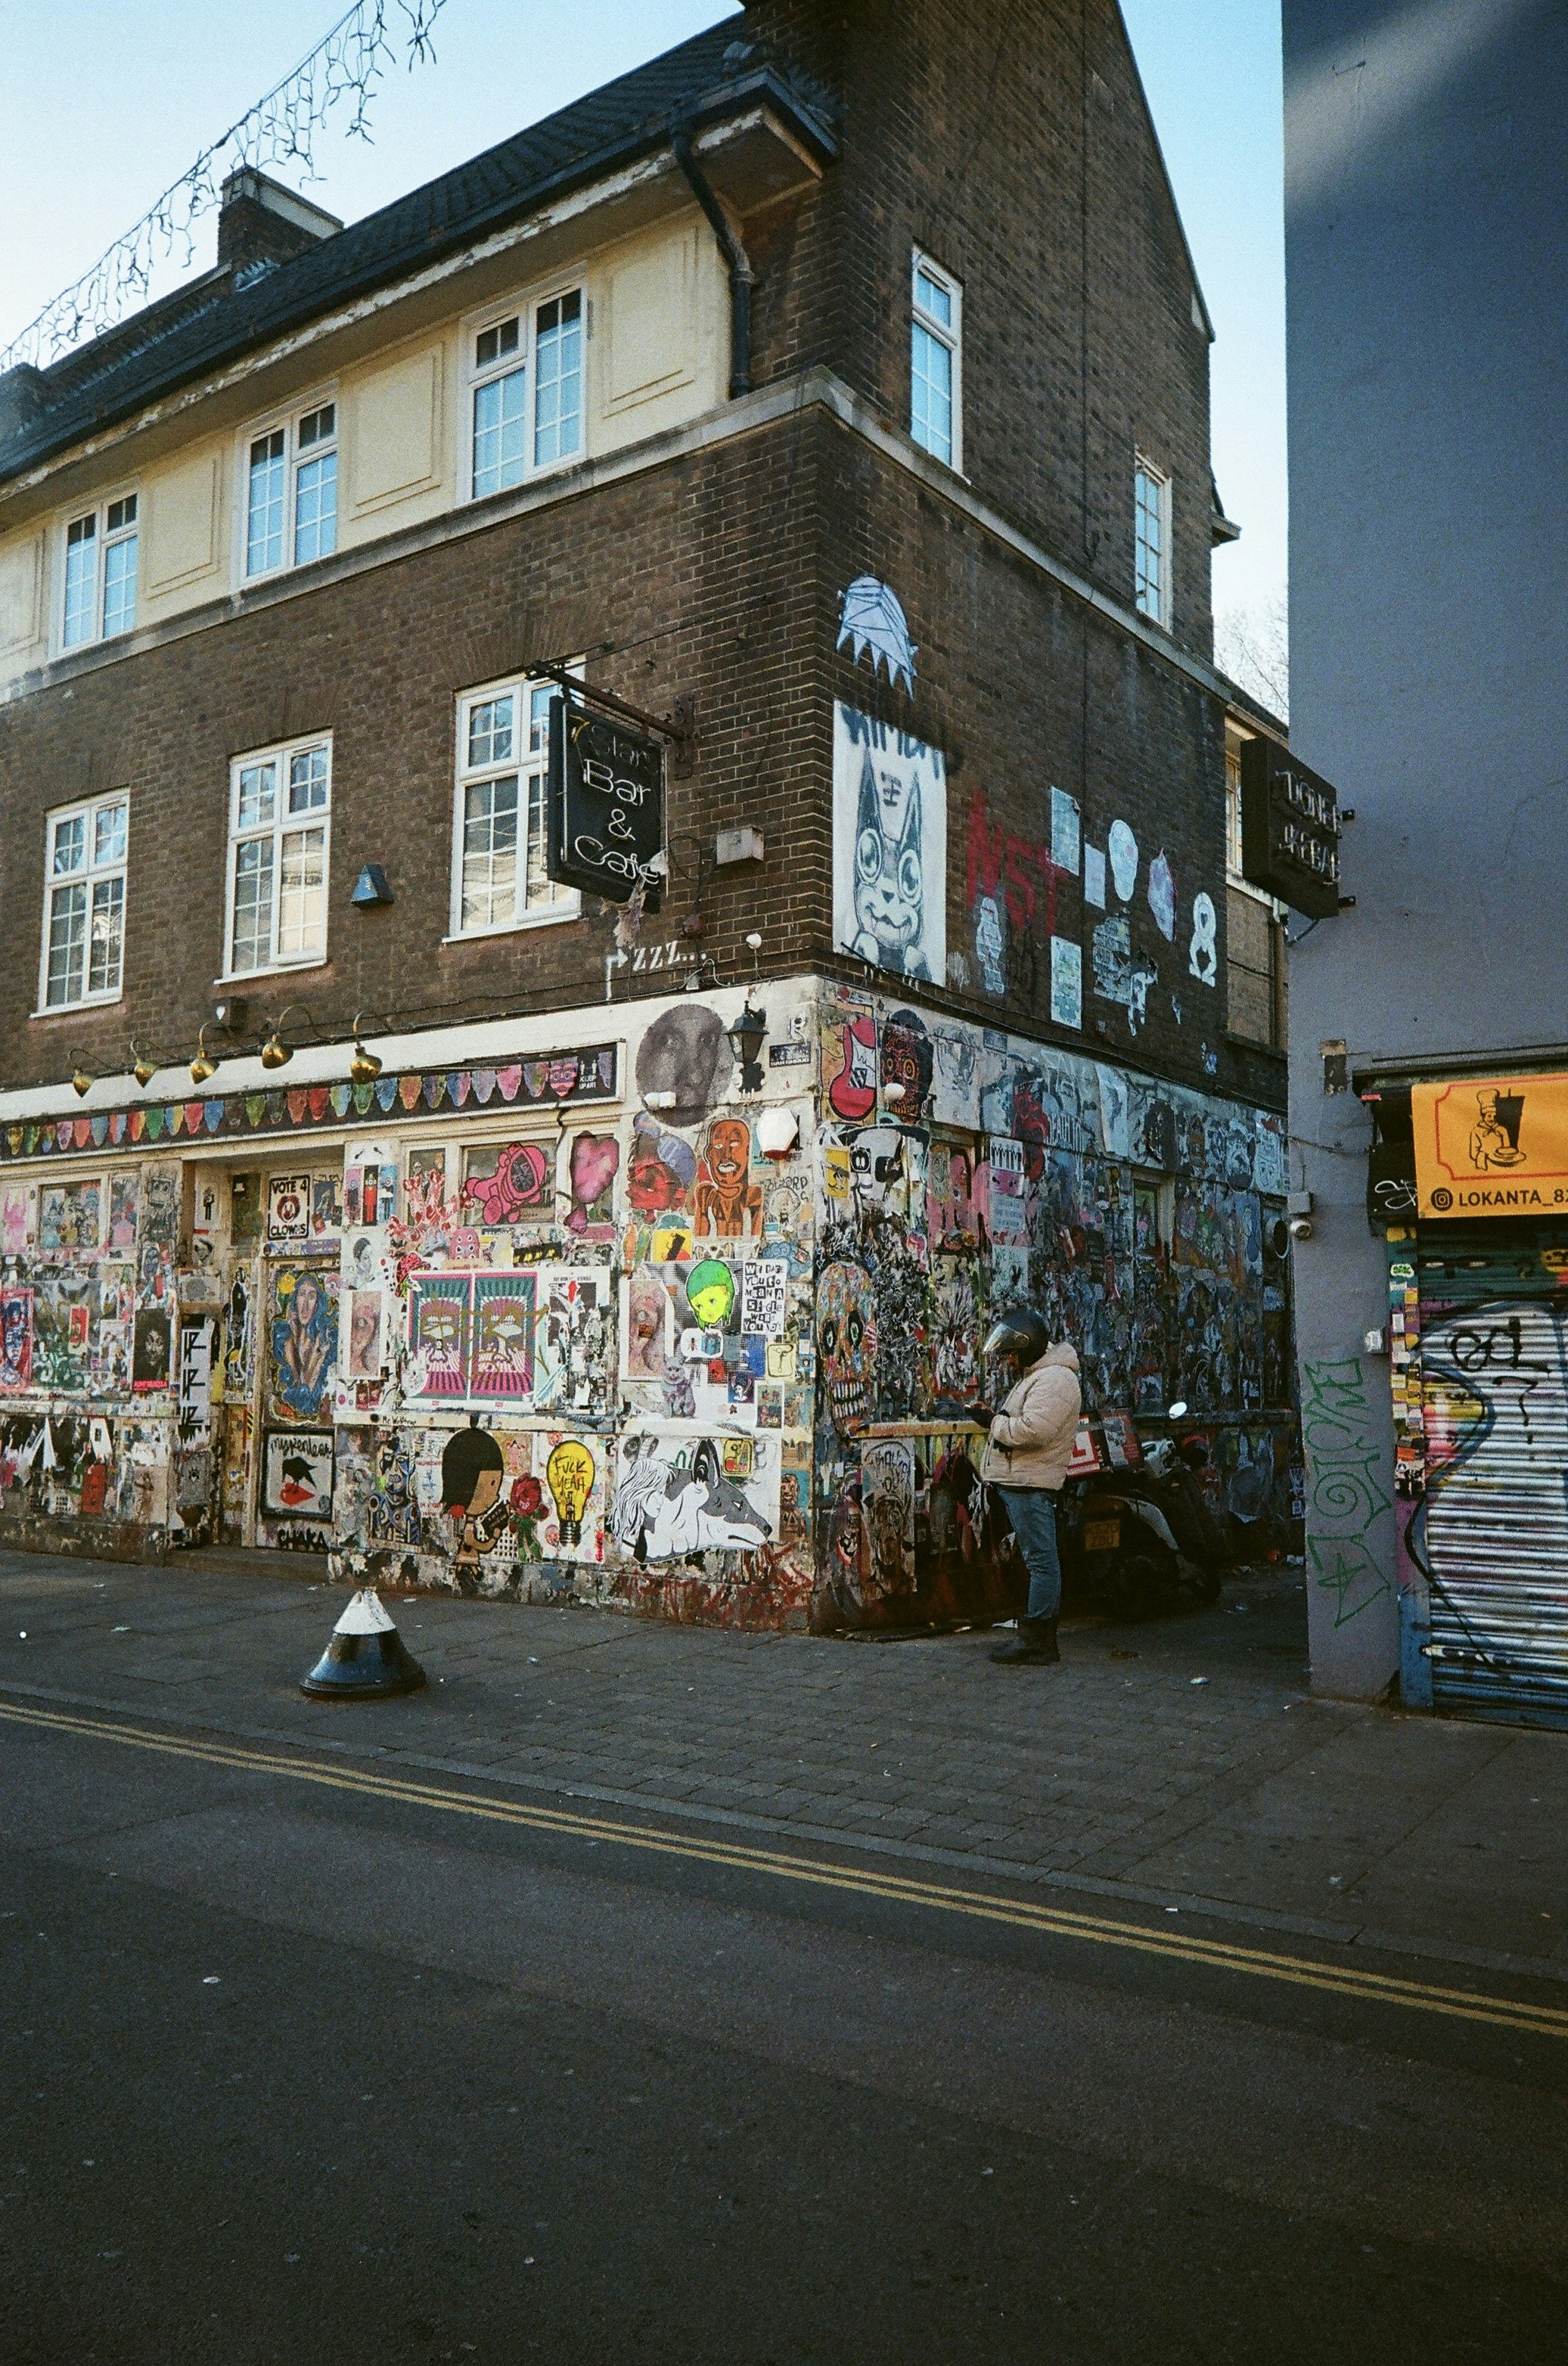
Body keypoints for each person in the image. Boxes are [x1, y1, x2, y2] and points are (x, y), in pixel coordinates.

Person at [973, 1308, 1082, 1666]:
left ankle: (1036, 1640)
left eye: (1012, 1352)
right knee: (1039, 1560)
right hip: (1021, 1479)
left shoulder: (1055, 1380)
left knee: (1042, 1562)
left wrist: (993, 1423)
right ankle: (1038, 1638)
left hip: (1031, 1481)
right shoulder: (1038, 1376)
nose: (1009, 1360)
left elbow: (1032, 1431)